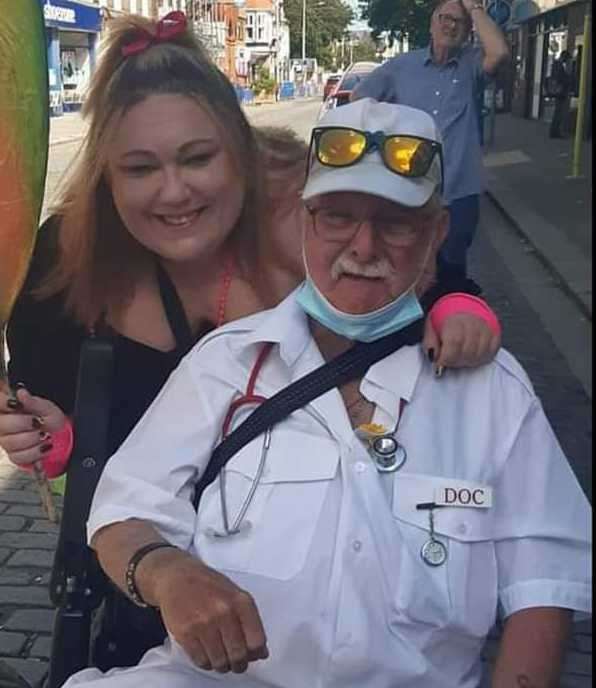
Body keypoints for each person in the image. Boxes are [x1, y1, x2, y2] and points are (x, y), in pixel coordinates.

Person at [0, 10, 501, 675]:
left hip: (331, 596)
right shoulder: (65, 270)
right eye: (140, 168)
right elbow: (68, 425)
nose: (173, 192)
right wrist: (53, 437)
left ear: (238, 149)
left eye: (197, 158)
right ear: (108, 177)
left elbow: (420, 272)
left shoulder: (309, 216)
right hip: (157, 604)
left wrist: (457, 310)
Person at [60, 98, 590, 688]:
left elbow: (543, 585)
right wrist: (166, 572)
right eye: (338, 216)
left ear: (437, 233)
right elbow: (122, 512)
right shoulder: (225, 366)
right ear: (305, 219)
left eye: (395, 222)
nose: (364, 247)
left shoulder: (494, 394)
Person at [352, 0, 509, 282]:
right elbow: (358, 100)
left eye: (459, 22)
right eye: (445, 18)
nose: (450, 25)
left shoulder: (471, 64)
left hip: (458, 192)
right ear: (432, 22)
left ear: (467, 30)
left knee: (450, 270)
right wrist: (388, 132)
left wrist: (474, 8)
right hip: (408, 187)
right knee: (407, 268)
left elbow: (498, 52)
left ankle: (445, 320)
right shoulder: (401, 67)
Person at [548, 49, 573, 139]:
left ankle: (554, 132)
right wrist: (568, 77)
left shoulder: (556, 64)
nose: (567, 61)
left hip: (558, 91)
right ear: (564, 58)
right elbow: (561, 79)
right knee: (558, 113)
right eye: (567, 59)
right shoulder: (559, 65)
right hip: (560, 92)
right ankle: (555, 132)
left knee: (557, 112)